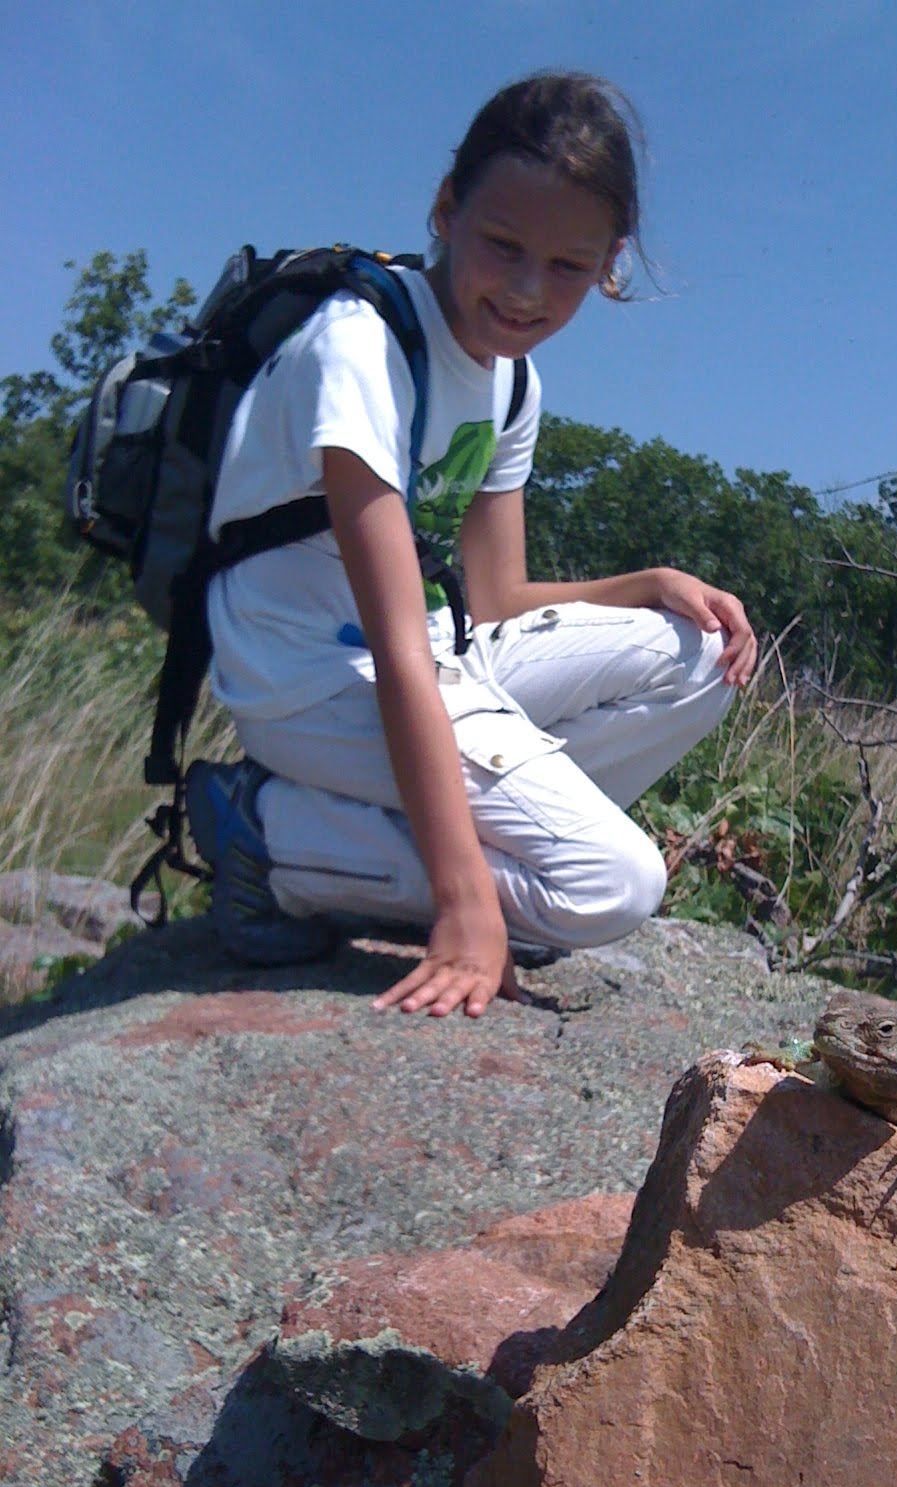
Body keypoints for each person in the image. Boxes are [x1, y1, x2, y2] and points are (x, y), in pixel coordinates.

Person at [186, 70, 757, 1021]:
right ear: (446, 208)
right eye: (503, 246)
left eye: (569, 267)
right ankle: (269, 836)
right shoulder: (360, 348)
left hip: (424, 662)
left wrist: (649, 582)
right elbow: (401, 643)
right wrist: (465, 903)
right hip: (307, 682)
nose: (529, 291)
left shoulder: (511, 383)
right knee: (613, 886)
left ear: (609, 262)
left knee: (699, 652)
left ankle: (401, 841)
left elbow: (492, 602)